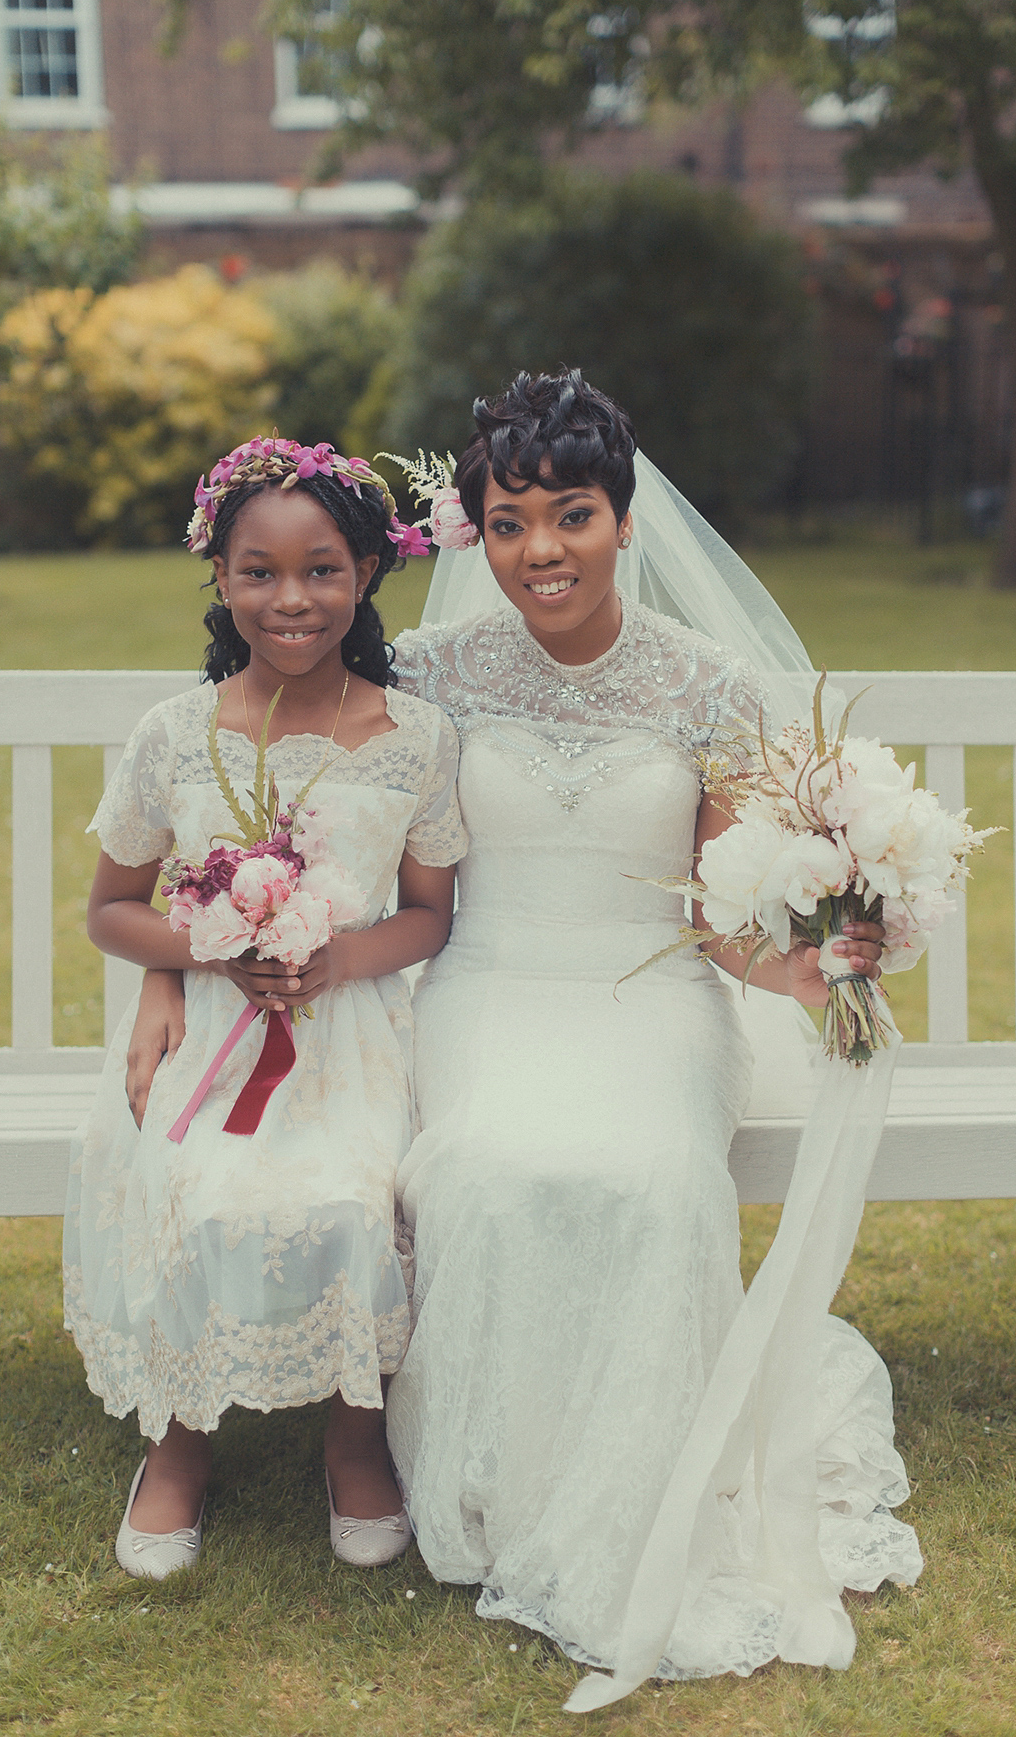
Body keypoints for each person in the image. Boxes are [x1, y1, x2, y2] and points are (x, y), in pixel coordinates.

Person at [383, 371, 923, 1689]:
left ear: (626, 521)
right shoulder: (431, 674)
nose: (540, 552)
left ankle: (651, 1469)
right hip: (489, 987)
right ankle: (498, 1486)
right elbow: (402, 882)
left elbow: (725, 919)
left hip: (653, 997)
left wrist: (807, 970)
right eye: (508, 523)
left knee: (655, 1177)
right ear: (478, 535)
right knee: (491, 1172)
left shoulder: (705, 688)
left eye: (571, 516)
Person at [63, 437, 466, 1581]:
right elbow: (110, 908)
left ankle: (356, 1437)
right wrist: (212, 947)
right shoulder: (173, 736)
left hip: (357, 1031)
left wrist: (334, 958)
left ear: (367, 575)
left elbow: (430, 917)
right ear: (221, 577)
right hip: (211, 1028)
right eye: (260, 571)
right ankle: (181, 1443)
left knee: (356, 1197)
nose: (292, 600)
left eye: (322, 569)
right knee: (201, 1192)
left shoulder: (416, 740)